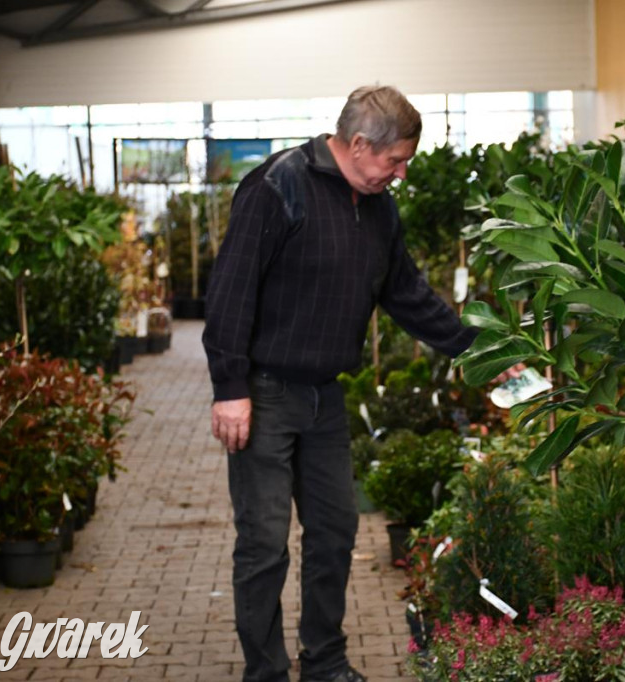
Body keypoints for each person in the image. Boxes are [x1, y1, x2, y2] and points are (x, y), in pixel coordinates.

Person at [202, 85, 478, 682]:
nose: (400, 174)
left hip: (326, 397)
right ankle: (267, 672)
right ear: (357, 144)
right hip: (265, 394)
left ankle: (324, 662)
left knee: (334, 533)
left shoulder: (377, 206)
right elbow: (231, 290)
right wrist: (230, 388)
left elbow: (405, 291)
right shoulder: (278, 187)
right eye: (395, 161)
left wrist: (476, 348)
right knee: (264, 544)